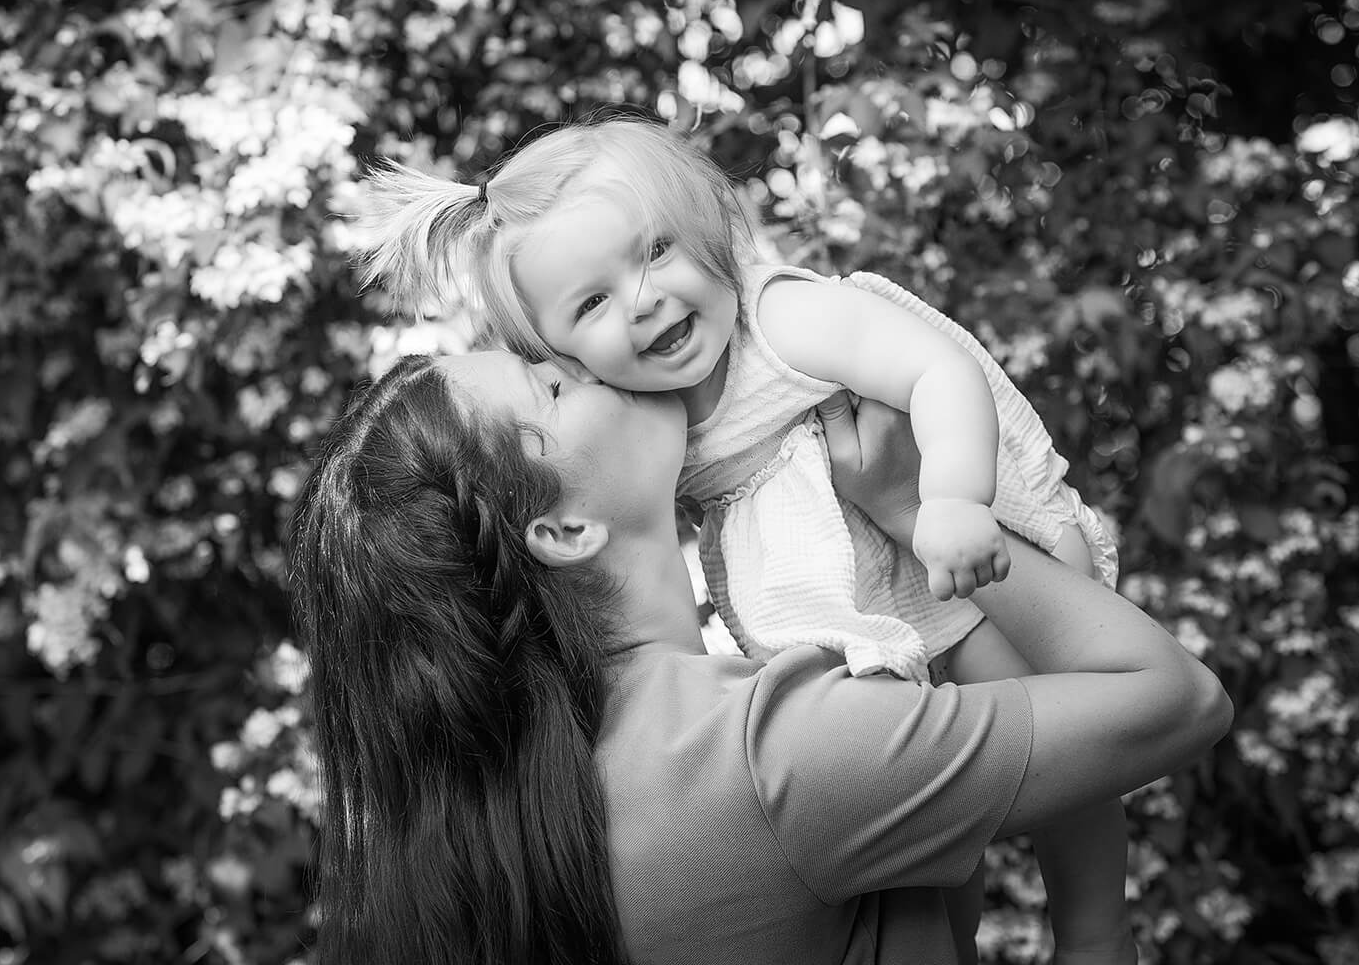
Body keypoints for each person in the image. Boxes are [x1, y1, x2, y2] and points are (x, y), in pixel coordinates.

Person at [353, 116, 1126, 955]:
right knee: (935, 853)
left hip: (962, 564)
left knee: (1057, 747)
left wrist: (947, 501)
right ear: (567, 353)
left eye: (653, 252)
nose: (642, 299)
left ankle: (1093, 932)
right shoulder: (650, 411)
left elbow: (939, 368)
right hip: (873, 617)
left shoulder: (781, 322)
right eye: (592, 303)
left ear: (710, 230)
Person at [287, 348, 1233, 965]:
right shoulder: (768, 755)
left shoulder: (530, 821)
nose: (587, 357)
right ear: (565, 527)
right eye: (552, 385)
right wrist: (911, 509)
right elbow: (1176, 699)